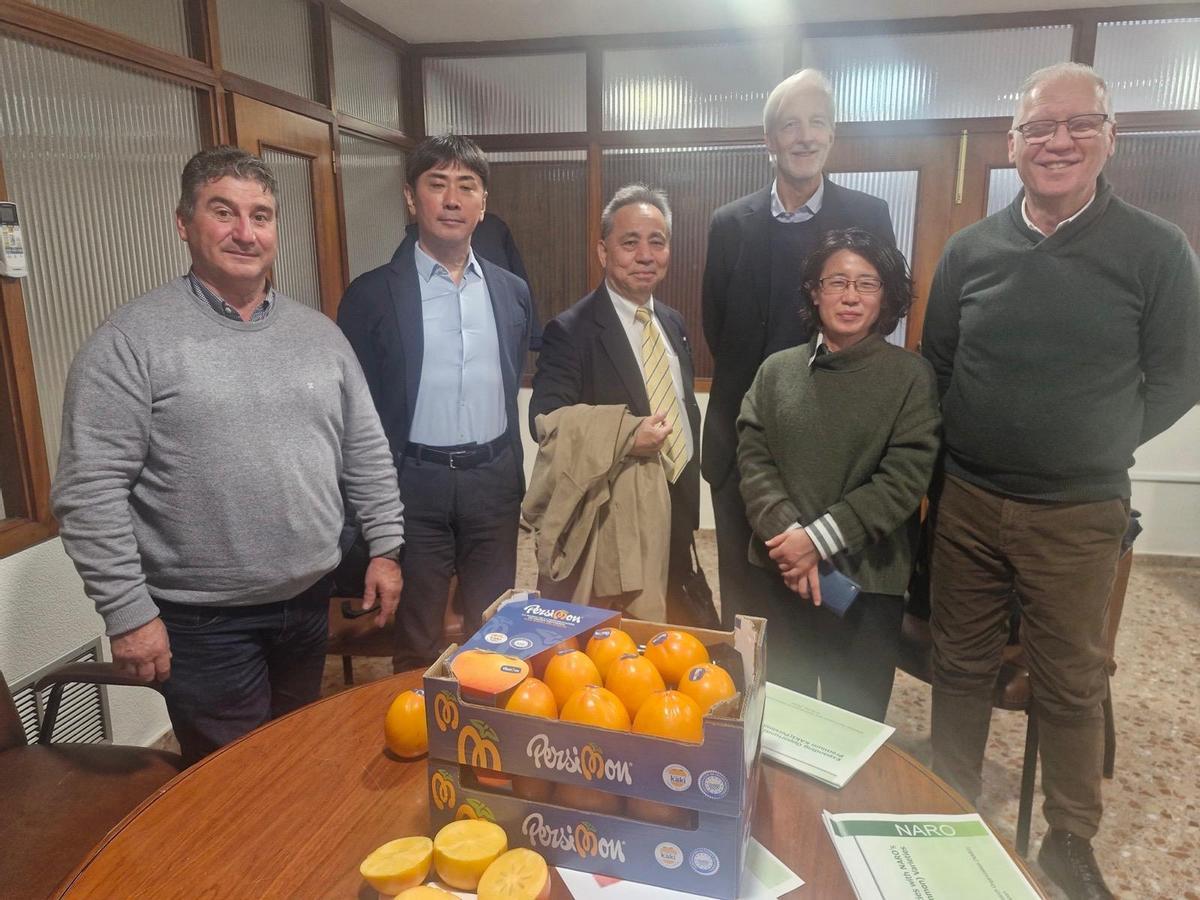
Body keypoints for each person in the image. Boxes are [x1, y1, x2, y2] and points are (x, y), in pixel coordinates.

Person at [922, 62, 1200, 900]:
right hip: (968, 496)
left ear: (1111, 138)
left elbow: (1181, 374)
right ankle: (947, 802)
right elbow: (937, 363)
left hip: (1079, 511)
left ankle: (1069, 836)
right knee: (959, 664)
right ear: (1012, 146)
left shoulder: (1156, 250)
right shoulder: (971, 249)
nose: (1059, 141)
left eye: (1080, 124)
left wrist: (1096, 439)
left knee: (1071, 679)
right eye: (1040, 127)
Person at [52, 146, 405, 765]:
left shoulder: (319, 334)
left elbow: (366, 449)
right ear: (184, 223)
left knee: (295, 753)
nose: (246, 232)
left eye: (261, 216)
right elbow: (89, 492)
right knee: (232, 781)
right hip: (200, 623)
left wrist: (385, 545)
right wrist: (130, 613)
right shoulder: (131, 342)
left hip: (305, 603)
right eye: (224, 212)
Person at [702, 68, 897, 629]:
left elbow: (876, 316)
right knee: (748, 612)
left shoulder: (869, 217)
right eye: (790, 125)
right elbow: (720, 327)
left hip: (834, 449)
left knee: (825, 609)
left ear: (832, 136)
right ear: (770, 140)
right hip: (740, 446)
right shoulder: (729, 224)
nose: (805, 136)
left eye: (817, 123)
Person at [338, 135, 534, 672]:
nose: (452, 200)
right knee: (419, 634)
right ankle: (419, 740)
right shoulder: (371, 295)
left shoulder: (511, 291)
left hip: (493, 479)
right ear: (410, 197)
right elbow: (357, 412)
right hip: (414, 483)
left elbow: (511, 371)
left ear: (483, 203)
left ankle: (487, 744)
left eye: (466, 186)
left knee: (495, 629)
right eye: (437, 184)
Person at [737, 228, 939, 720]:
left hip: (867, 585)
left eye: (867, 284)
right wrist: (791, 538)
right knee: (782, 719)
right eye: (837, 282)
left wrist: (818, 541)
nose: (850, 296)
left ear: (886, 295)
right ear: (814, 291)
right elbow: (753, 459)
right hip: (781, 573)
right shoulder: (776, 371)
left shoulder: (910, 377)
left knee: (853, 725)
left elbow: (903, 479)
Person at [529, 184, 706, 624]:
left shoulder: (672, 322)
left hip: (675, 506)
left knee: (670, 635)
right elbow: (546, 421)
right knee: (612, 643)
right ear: (603, 252)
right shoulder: (571, 331)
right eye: (630, 242)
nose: (645, 255)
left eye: (657, 242)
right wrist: (626, 436)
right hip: (613, 524)